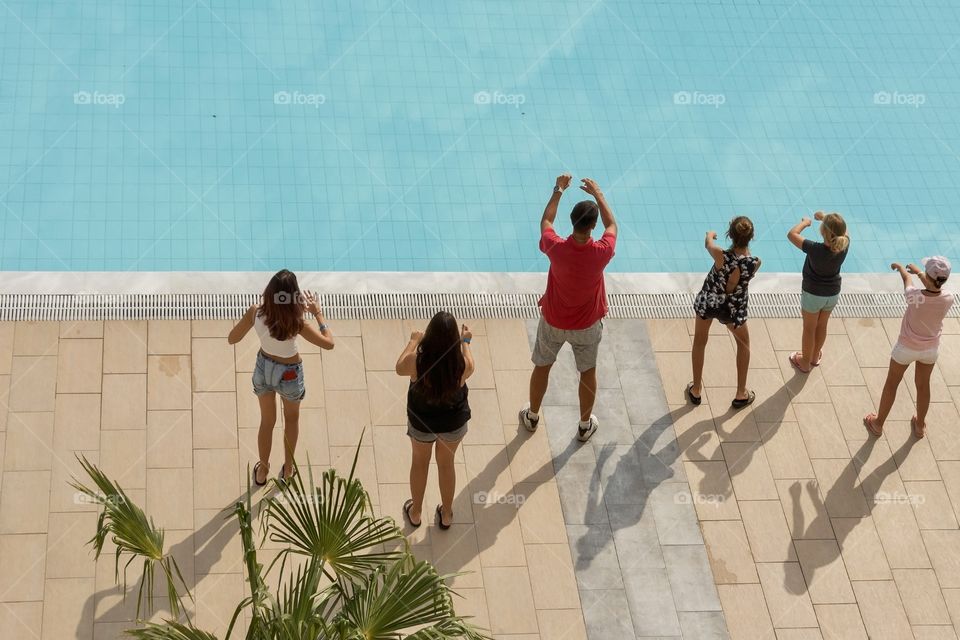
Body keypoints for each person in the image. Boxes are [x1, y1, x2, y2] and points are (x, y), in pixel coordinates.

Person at [519, 174, 617, 443]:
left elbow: (546, 221)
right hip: (586, 325)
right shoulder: (602, 252)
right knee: (587, 373)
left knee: (542, 366)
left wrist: (558, 189)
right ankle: (585, 425)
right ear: (593, 226)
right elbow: (612, 225)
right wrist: (598, 193)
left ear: (572, 222)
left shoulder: (556, 247)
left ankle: (533, 416)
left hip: (553, 320)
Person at [227, 270, 335, 486]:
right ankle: (287, 470)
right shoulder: (298, 323)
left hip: (264, 368)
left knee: (267, 421)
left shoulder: (255, 312)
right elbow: (329, 343)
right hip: (289, 373)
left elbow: (232, 339)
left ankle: (262, 471)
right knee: (292, 419)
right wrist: (317, 313)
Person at [396, 311, 474, 530]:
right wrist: (466, 341)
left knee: (420, 463)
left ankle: (416, 512)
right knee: (446, 464)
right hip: (453, 423)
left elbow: (398, 367)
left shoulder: (417, 362)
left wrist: (413, 341)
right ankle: (447, 514)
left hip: (422, 422)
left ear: (429, 335)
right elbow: (471, 362)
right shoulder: (461, 365)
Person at [864, 257, 954, 438]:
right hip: (930, 350)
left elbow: (907, 281)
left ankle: (878, 423)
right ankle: (920, 425)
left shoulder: (914, 296)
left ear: (926, 275)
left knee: (892, 384)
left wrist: (903, 269)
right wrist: (921, 273)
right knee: (923, 386)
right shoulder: (948, 298)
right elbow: (933, 287)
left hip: (905, 348)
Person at [688, 216, 762, 409]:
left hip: (710, 300)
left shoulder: (720, 255)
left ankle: (696, 390)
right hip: (732, 308)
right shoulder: (755, 262)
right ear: (751, 237)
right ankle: (740, 393)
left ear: (730, 235)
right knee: (743, 344)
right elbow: (741, 273)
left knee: (700, 341)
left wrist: (710, 235)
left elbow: (708, 244)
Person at [787, 211, 850, 373]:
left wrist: (805, 222)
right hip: (832, 293)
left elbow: (792, 234)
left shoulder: (814, 249)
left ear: (823, 232)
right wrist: (825, 219)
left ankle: (805, 362)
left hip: (813, 294)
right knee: (822, 325)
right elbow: (844, 231)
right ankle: (814, 357)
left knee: (809, 328)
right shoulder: (845, 245)